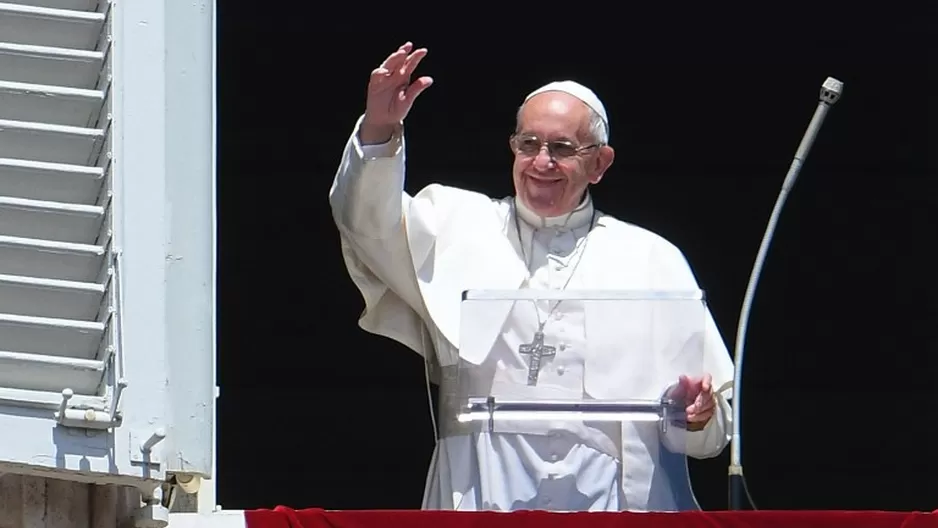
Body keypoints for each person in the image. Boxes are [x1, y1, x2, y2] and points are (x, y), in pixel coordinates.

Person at [329, 42, 735, 512]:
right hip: (481, 490)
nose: (542, 162)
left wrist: (699, 415)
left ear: (600, 163)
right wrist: (380, 128)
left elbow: (711, 436)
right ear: (513, 148)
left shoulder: (652, 258)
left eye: (562, 148)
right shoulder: (455, 223)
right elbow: (365, 223)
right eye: (529, 144)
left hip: (616, 500)